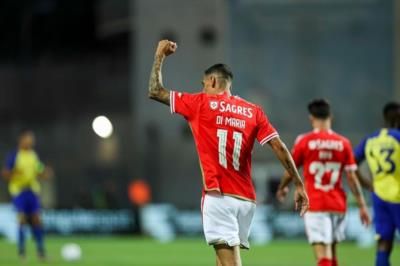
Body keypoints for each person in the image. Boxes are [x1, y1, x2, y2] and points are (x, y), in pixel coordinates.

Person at [148, 40, 309, 266]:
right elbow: (280, 147)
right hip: (246, 200)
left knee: (230, 263)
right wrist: (299, 184)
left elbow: (155, 91)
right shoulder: (253, 111)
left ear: (213, 81)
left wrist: (159, 56)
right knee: (221, 260)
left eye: (203, 83)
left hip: (219, 196)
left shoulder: (200, 103)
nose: (202, 88)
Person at [276, 99, 370, 266]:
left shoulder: (304, 141)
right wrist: (362, 205)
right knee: (332, 255)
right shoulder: (343, 143)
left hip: (316, 203)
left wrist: (283, 187)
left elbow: (291, 169)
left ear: (311, 118)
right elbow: (352, 177)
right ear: (330, 117)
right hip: (338, 204)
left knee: (323, 257)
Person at [354, 102, 400, 266]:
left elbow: (351, 164)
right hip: (398, 195)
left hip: (379, 195)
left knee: (383, 243)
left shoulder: (371, 139)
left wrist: (366, 183)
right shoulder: (398, 137)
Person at [2, 130, 52, 260]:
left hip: (33, 191)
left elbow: (38, 168)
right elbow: (6, 173)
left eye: (32, 139)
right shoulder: (14, 155)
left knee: (37, 219)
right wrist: (14, 173)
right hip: (19, 191)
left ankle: (41, 252)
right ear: (21, 140)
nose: (31, 142)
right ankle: (22, 252)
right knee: (22, 220)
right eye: (28, 139)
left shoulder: (33, 155)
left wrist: (44, 173)